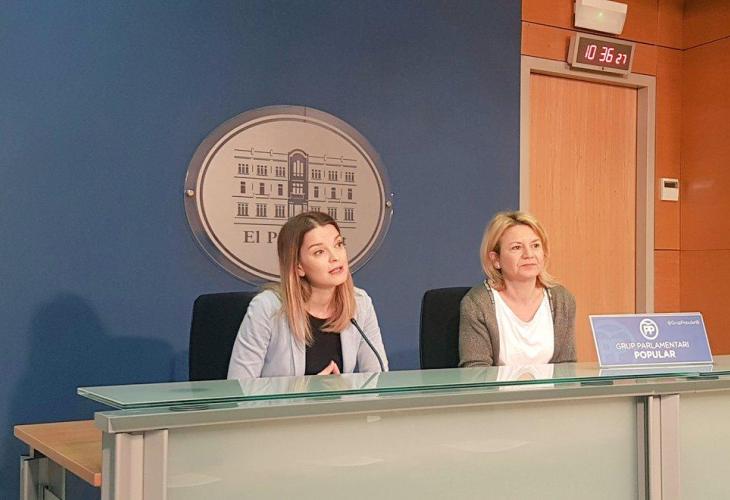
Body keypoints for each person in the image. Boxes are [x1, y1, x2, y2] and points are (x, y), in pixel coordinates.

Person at [228, 211, 388, 379]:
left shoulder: (360, 304)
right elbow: (239, 387)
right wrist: (308, 389)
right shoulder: (267, 308)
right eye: (319, 252)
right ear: (299, 267)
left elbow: (379, 380)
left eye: (338, 244)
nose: (335, 257)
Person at [459, 211, 576, 367]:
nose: (529, 254)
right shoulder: (477, 303)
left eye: (535, 245)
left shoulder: (561, 300)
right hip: (497, 385)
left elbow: (566, 366)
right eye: (516, 247)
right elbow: (475, 371)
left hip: (548, 385)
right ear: (496, 259)